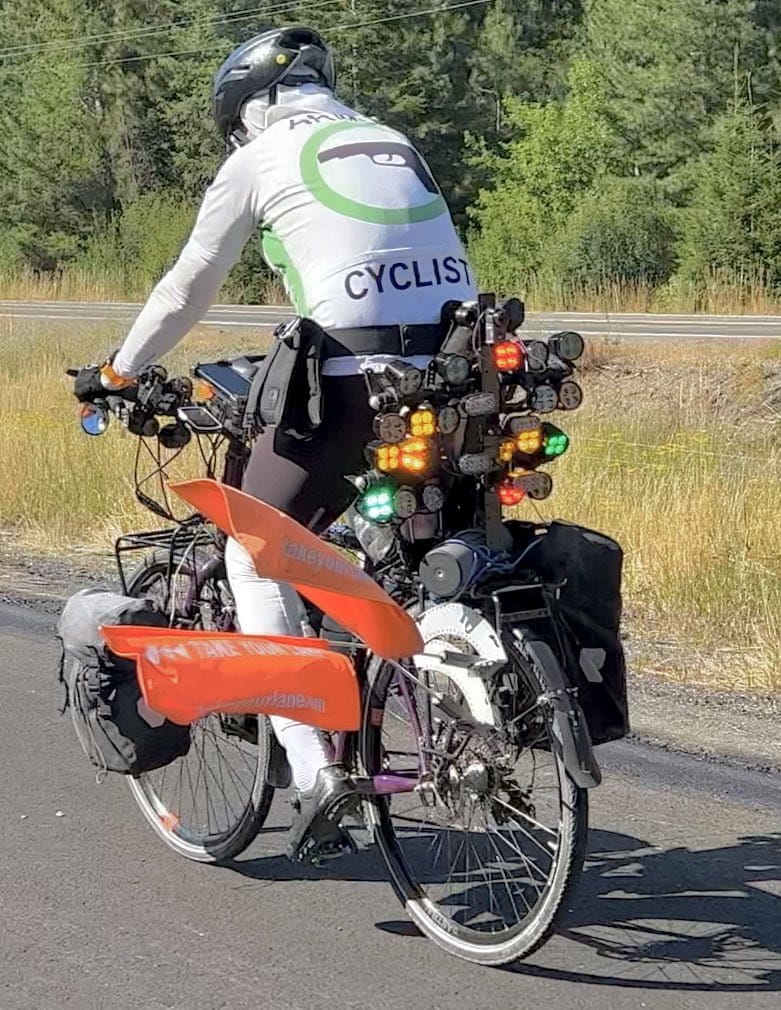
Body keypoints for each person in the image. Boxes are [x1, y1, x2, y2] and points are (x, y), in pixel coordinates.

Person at [74, 25, 476, 861]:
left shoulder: (258, 157)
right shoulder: (388, 139)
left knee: (254, 555)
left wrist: (118, 370)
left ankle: (313, 768)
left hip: (351, 378)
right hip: (457, 374)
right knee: (420, 533)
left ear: (246, 110)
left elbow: (188, 285)